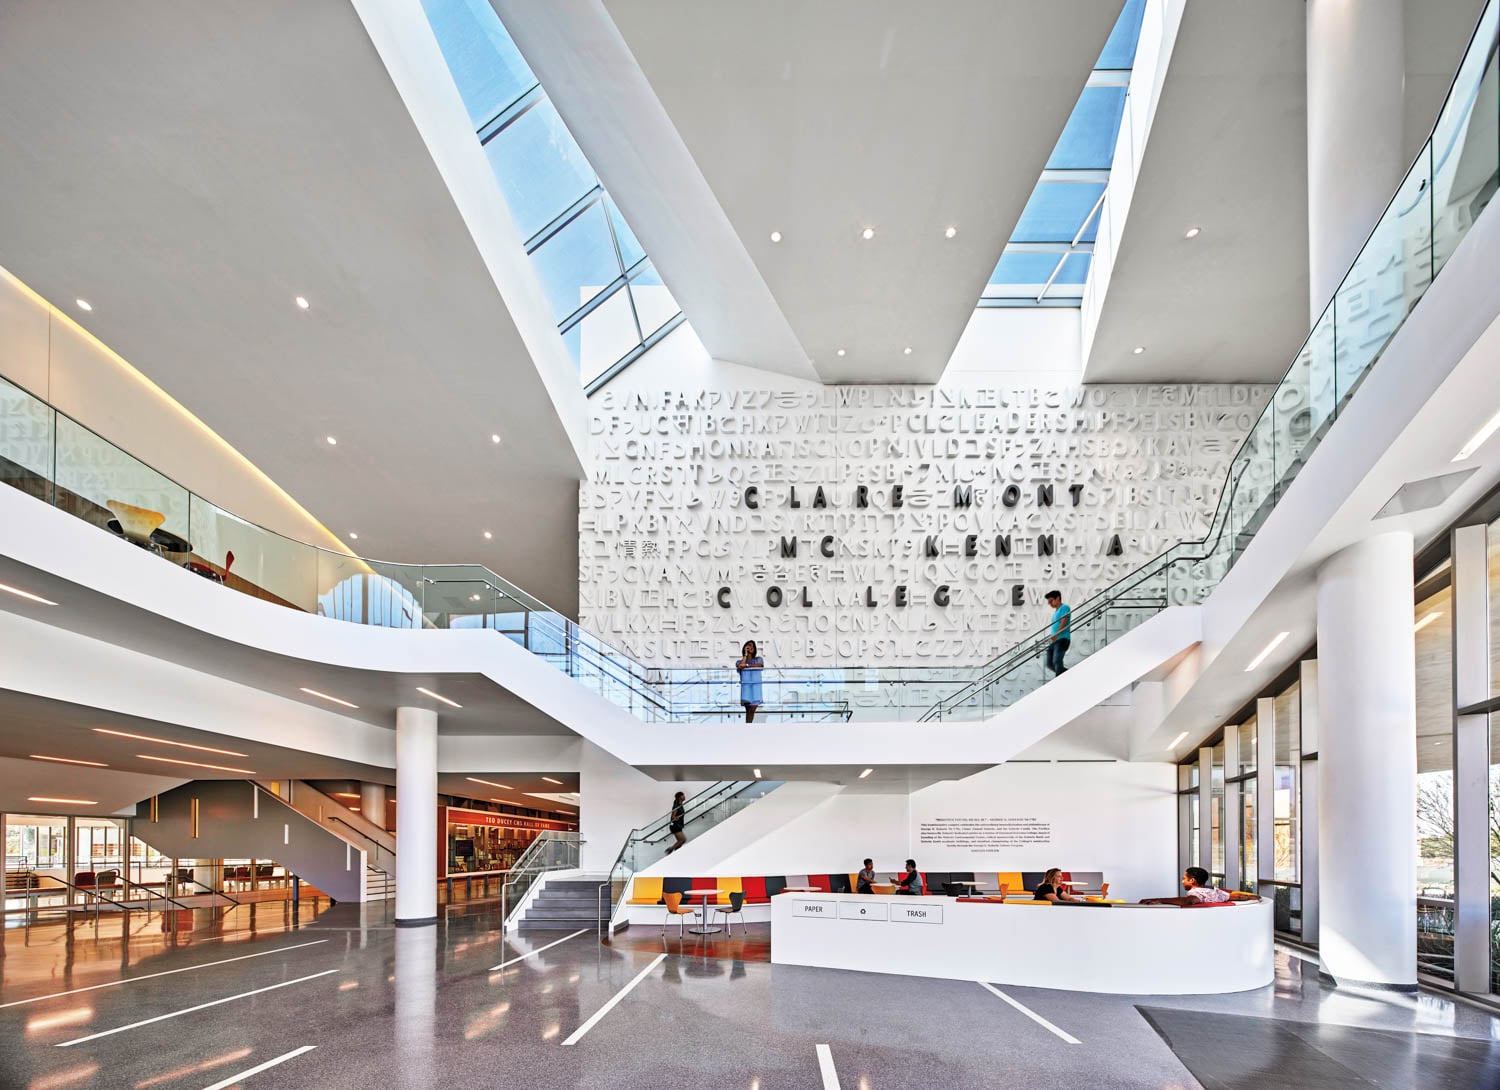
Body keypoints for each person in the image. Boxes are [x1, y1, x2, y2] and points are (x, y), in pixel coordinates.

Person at [736, 640, 764, 723]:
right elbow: (740, 666)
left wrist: (747, 665)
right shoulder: (739, 661)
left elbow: (760, 665)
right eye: (748, 645)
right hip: (746, 688)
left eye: (752, 646)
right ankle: (748, 727)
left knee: (753, 709)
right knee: (748, 710)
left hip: (756, 688)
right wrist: (745, 655)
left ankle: (748, 727)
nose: (750, 647)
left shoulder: (758, 659)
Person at [1044, 590, 1071, 676]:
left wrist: (1057, 633)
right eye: (1048, 602)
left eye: (1051, 601)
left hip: (1063, 639)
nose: (1050, 603)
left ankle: (1059, 681)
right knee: (1049, 663)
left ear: (1058, 598)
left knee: (1057, 661)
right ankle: (1069, 674)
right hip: (1055, 641)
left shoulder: (1064, 608)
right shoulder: (1055, 613)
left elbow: (1064, 621)